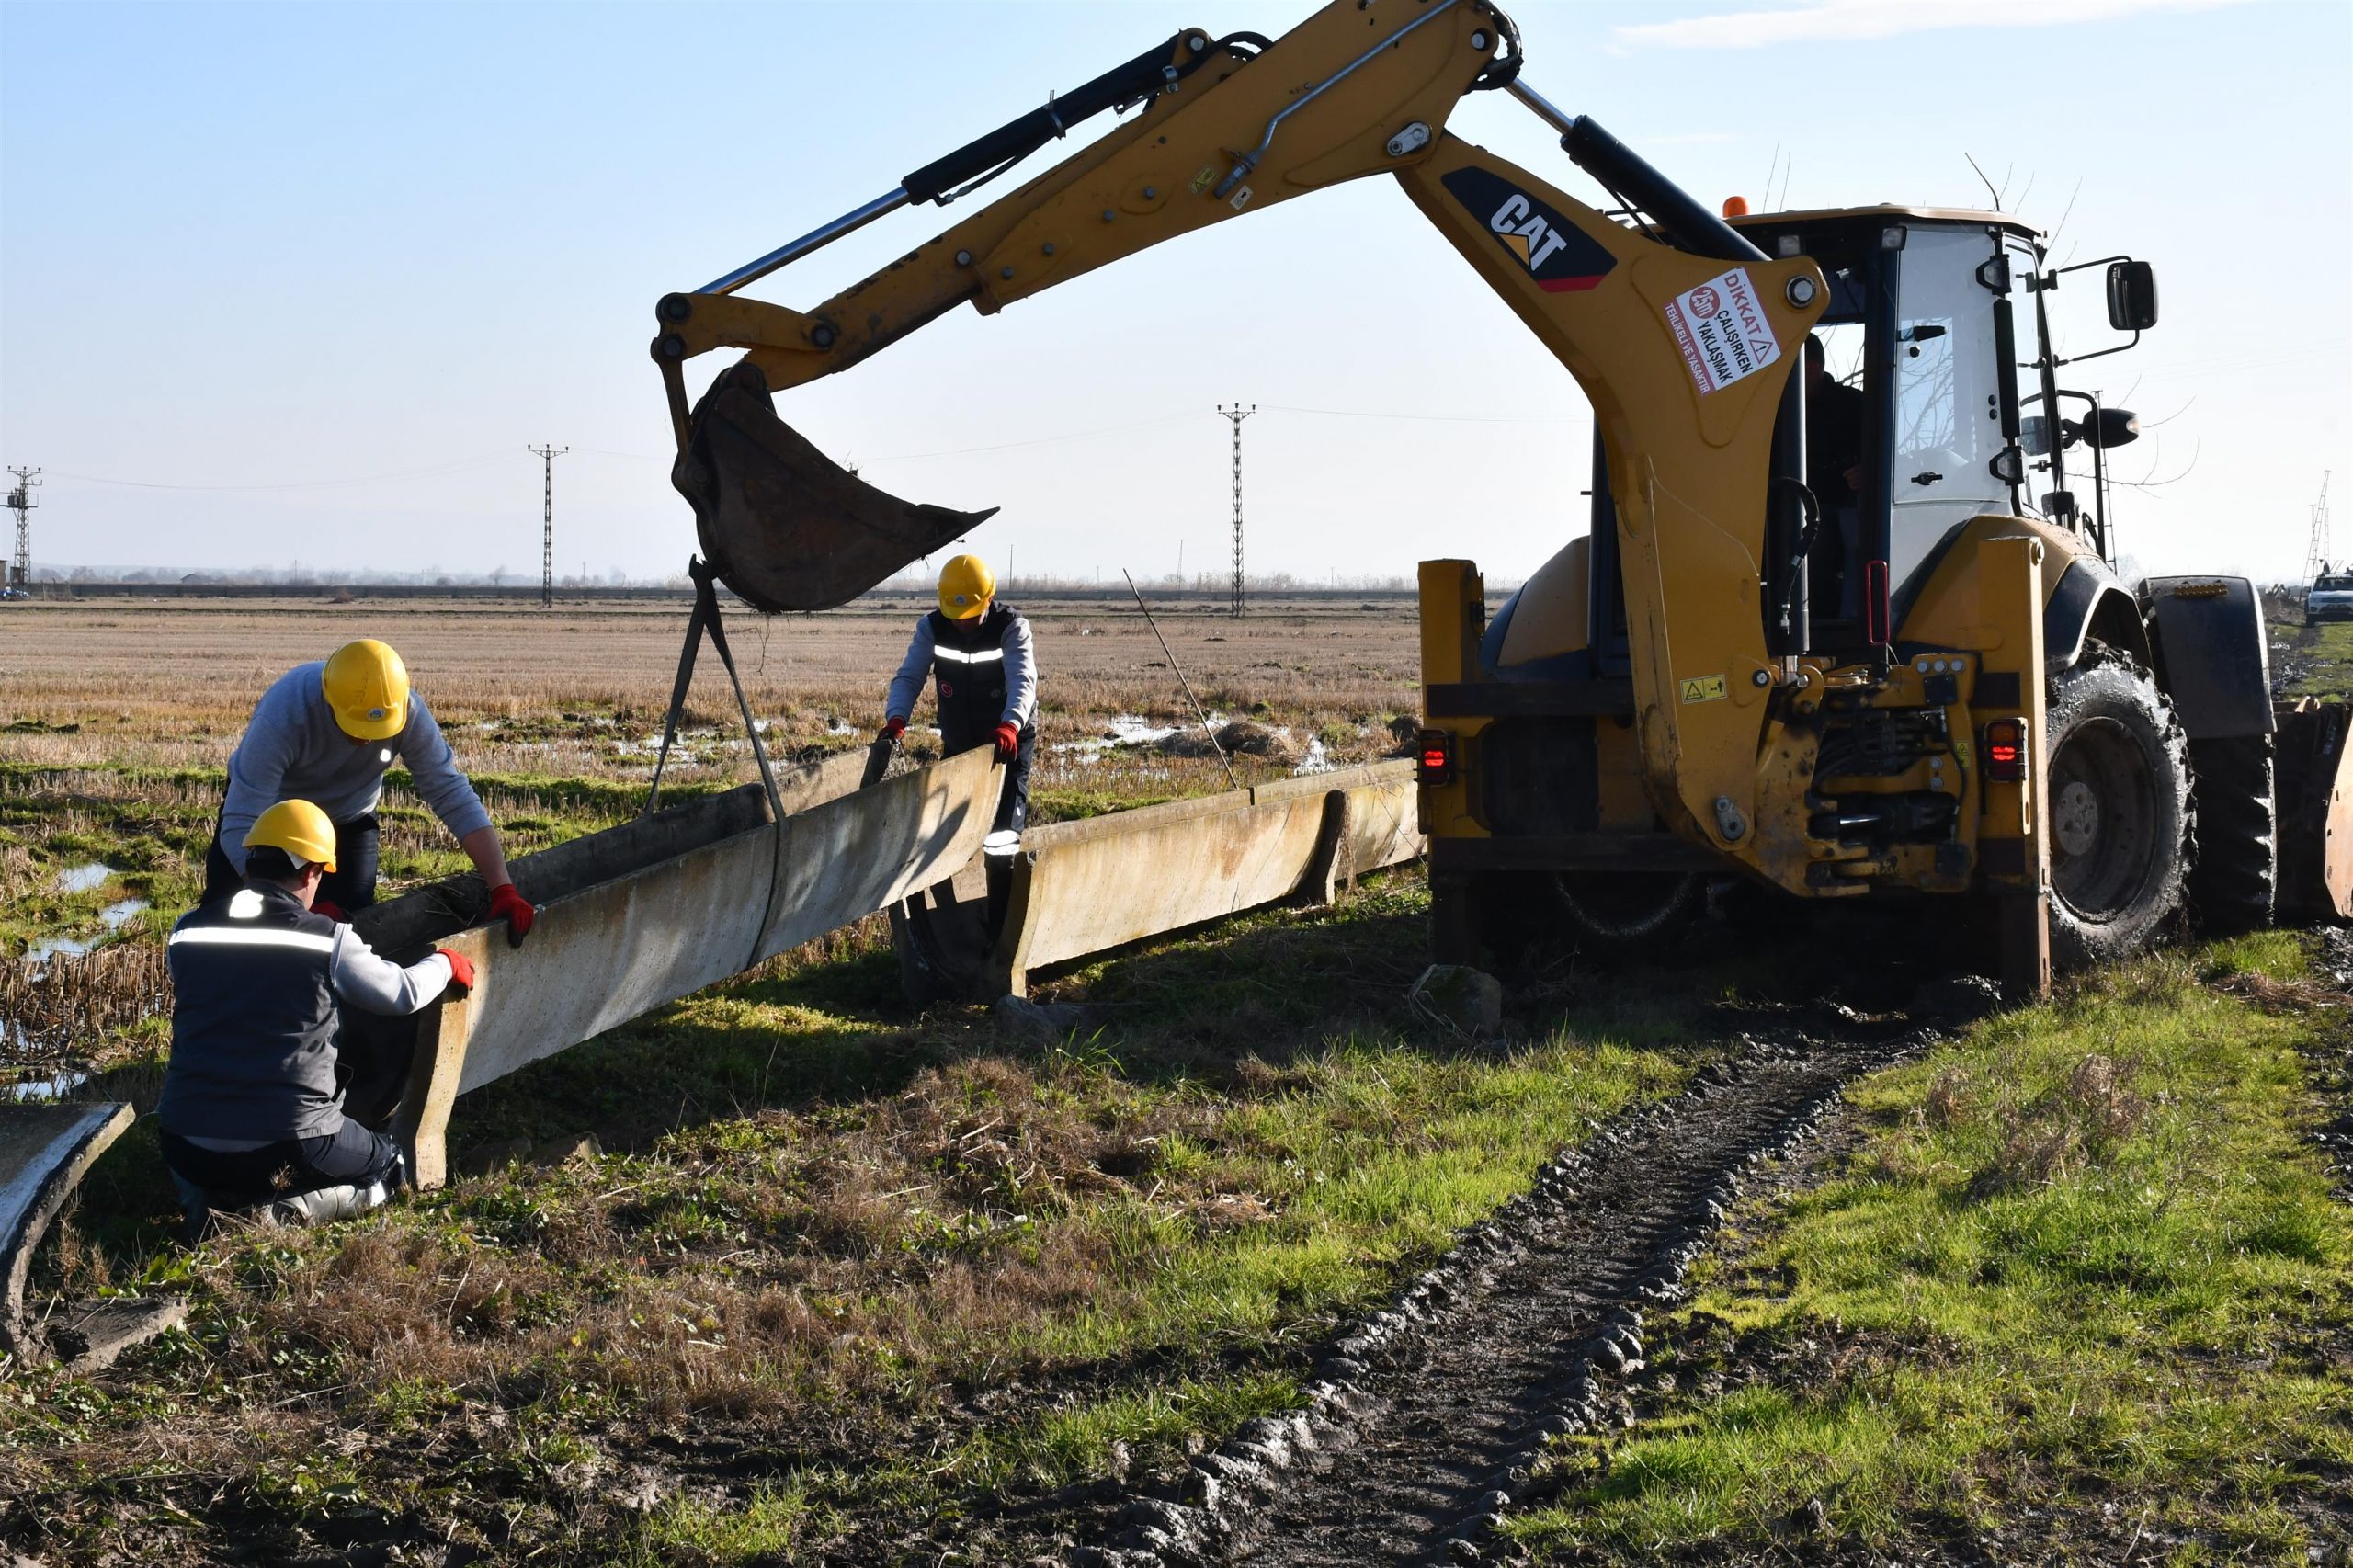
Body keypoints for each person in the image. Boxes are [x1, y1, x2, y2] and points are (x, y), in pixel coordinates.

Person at [157, 800, 472, 1226]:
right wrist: (445, 963)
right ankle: (288, 1212)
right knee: (390, 1164)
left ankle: (203, 1209)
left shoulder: (187, 931)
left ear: (249, 866)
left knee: (216, 1154)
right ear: (311, 872)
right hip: (290, 1141)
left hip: (183, 1143)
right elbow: (402, 994)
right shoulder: (328, 940)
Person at [201, 638, 534, 939]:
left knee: (351, 927)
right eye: (355, 727)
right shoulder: (286, 715)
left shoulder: (408, 712)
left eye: (376, 730)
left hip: (349, 820)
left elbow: (450, 793)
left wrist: (502, 887)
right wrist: (288, 907)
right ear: (329, 700)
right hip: (272, 826)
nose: (364, 739)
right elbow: (241, 821)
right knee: (229, 922)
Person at [880, 554, 1037, 912]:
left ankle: (1000, 925)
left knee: (1001, 839)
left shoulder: (1011, 628)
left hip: (1005, 744)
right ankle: (948, 916)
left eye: (971, 617)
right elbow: (909, 676)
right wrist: (897, 718)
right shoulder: (932, 627)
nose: (963, 625)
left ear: (987, 600)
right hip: (960, 740)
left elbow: (1022, 682)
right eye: (956, 617)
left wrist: (1011, 724)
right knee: (943, 833)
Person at [1804, 334, 1870, 621]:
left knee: (1854, 537)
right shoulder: (1780, 411)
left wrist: (1866, 471)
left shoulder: (1856, 404)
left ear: (1813, 368)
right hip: (1800, 505)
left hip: (1845, 503)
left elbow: (1886, 452)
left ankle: (1849, 620)